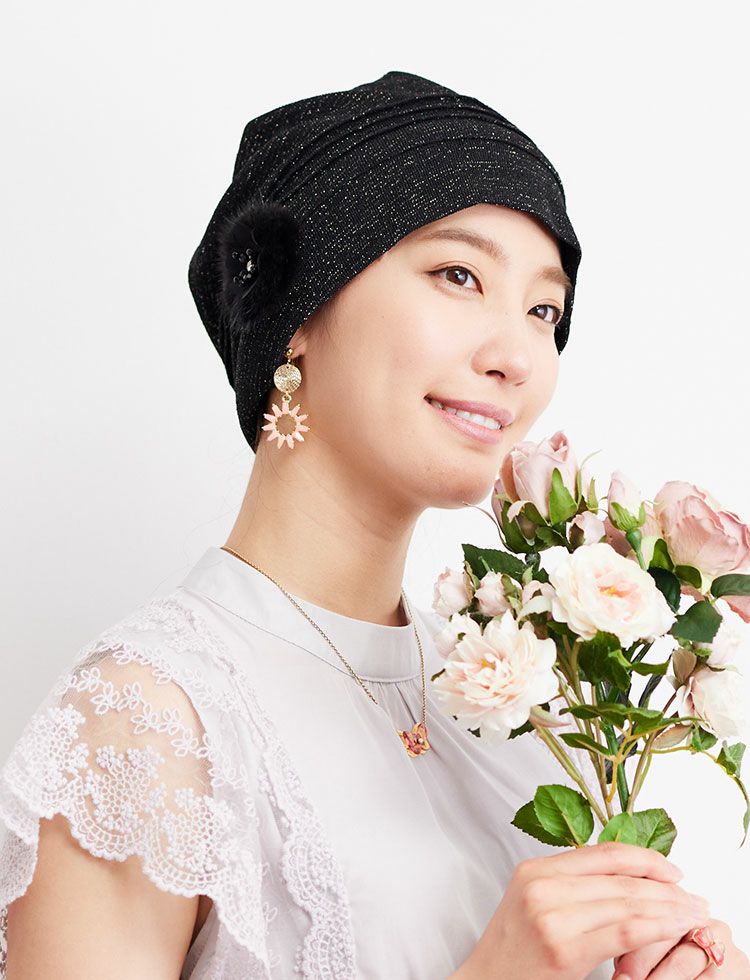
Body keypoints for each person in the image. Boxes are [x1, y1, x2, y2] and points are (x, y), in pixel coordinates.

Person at [0, 70, 740, 980]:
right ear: (297, 312)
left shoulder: (512, 702)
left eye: (544, 310)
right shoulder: (144, 722)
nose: (518, 355)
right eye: (459, 275)